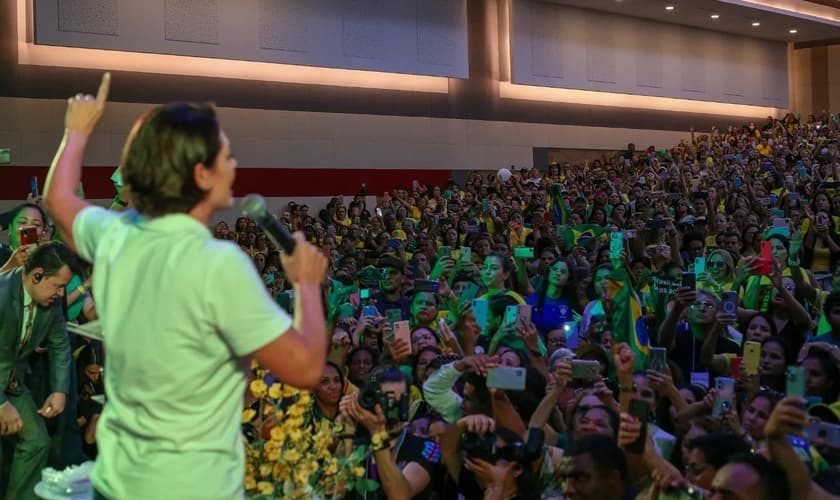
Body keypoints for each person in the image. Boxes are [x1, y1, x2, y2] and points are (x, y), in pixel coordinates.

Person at [42, 73, 329, 499]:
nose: (234, 165)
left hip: (117, 481)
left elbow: (58, 200)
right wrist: (306, 283)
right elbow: (305, 369)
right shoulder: (217, 264)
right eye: (226, 156)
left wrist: (77, 132)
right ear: (202, 174)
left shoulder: (117, 235)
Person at [0, 241, 75, 500]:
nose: (61, 294)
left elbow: (60, 344)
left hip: (10, 380)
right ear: (37, 275)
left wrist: (59, 391)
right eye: (58, 286)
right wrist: (1, 404)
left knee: (37, 442)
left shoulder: (50, 303)